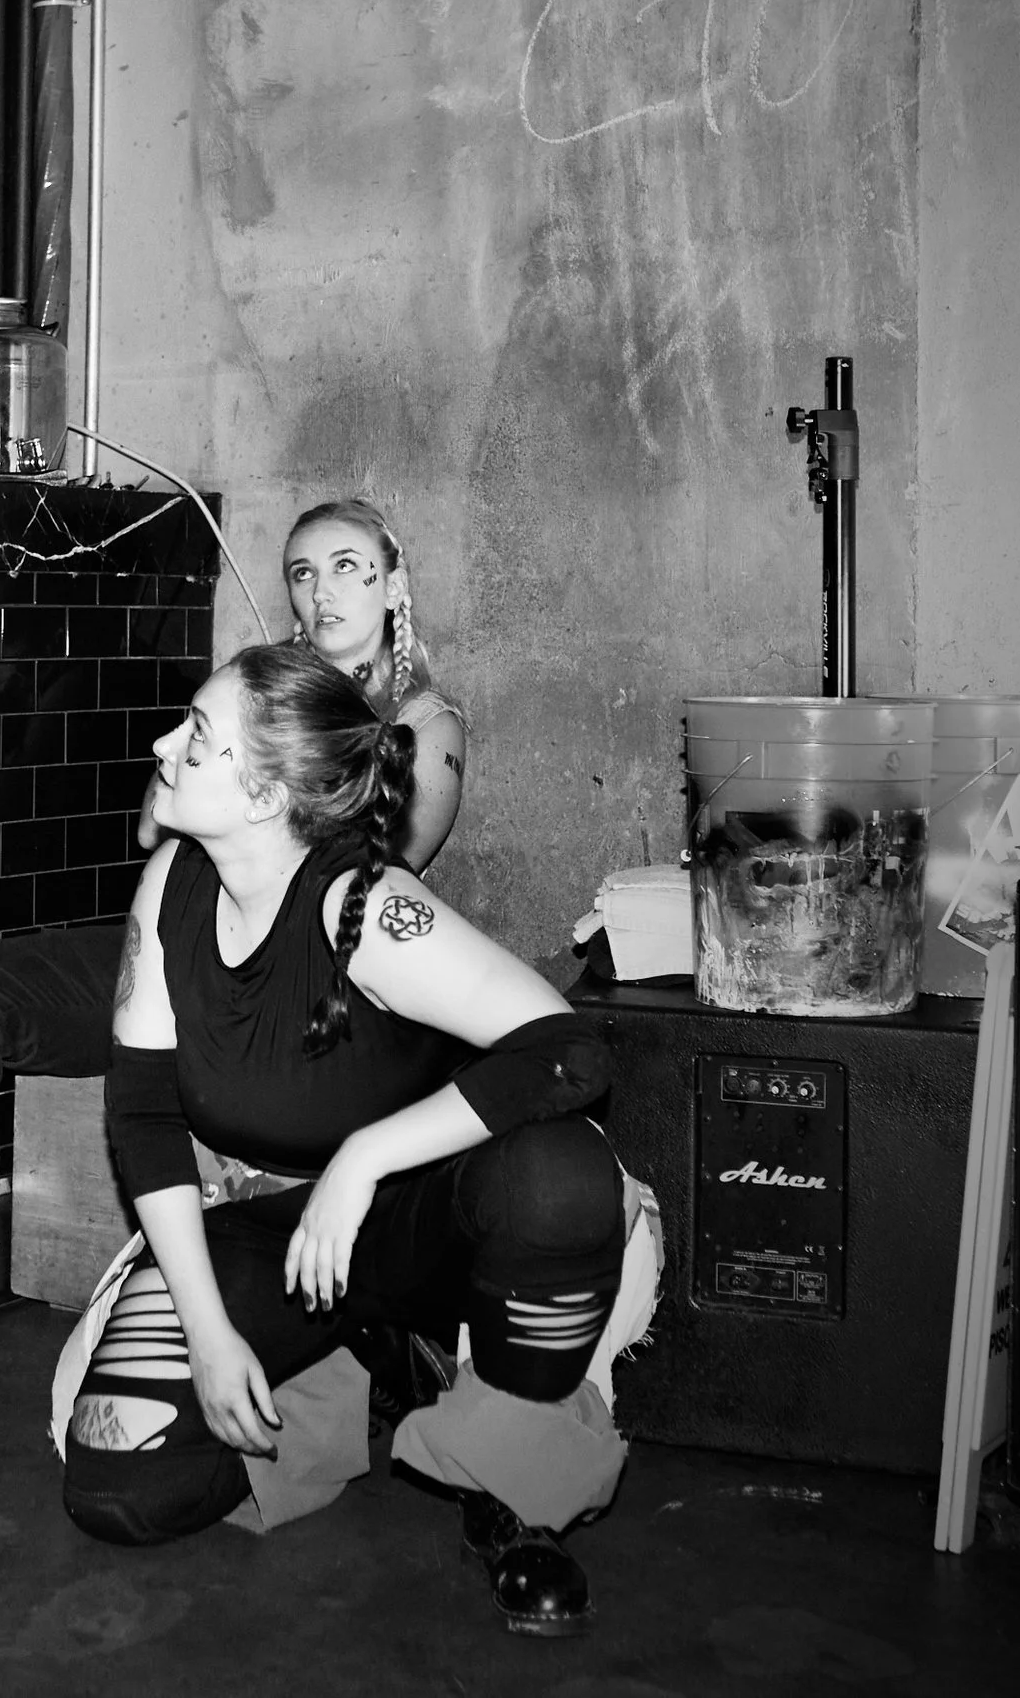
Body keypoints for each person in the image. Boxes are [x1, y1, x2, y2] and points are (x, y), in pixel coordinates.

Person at [0, 499, 457, 1402]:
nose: (321, 589)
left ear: (393, 582)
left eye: (346, 566)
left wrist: (279, 752)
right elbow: (151, 828)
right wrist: (227, 728)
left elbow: (375, 866)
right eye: (302, 570)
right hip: (175, 943)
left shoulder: (424, 724)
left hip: (303, 980)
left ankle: (373, 1318)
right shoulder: (246, 694)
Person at [59, 644, 629, 1633]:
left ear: (266, 795)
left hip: (420, 1217)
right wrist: (207, 1332)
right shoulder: (169, 883)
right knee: (118, 1483)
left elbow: (569, 1051)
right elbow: (142, 1114)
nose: (162, 744)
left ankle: (509, 1480)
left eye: (196, 734)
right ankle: (349, 1381)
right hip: (266, 1223)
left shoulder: (365, 904)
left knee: (561, 1180)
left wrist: (365, 1158)